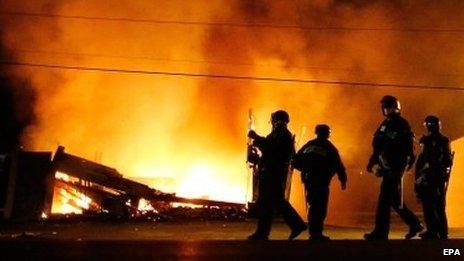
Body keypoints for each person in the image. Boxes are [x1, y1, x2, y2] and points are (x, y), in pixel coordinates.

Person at [364, 95, 423, 240]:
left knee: (384, 200)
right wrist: (372, 163)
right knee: (395, 201)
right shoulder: (385, 125)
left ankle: (380, 232)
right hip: (386, 168)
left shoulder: (402, 125)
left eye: (387, 106)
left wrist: (403, 167)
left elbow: (410, 149)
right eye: (384, 107)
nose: (385, 109)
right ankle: (415, 224)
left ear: (395, 107)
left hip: (395, 168)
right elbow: (377, 146)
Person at [247, 110, 306, 240]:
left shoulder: (283, 135)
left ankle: (263, 233)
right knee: (274, 202)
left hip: (274, 173)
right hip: (270, 172)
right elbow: (268, 152)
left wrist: (256, 138)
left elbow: (272, 150)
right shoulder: (277, 134)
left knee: (268, 203)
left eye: (274, 120)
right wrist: (257, 157)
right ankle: (296, 225)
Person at [293, 124, 347, 241]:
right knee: (320, 207)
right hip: (321, 181)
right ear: (328, 133)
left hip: (309, 181)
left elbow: (295, 161)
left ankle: (313, 232)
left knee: (312, 205)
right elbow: (339, 166)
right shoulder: (329, 147)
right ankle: (316, 234)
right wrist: (343, 180)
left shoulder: (309, 145)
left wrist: (305, 171)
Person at [415, 115, 453, 239]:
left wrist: (424, 174)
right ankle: (440, 231)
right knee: (437, 206)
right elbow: (447, 161)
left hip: (432, 178)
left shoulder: (434, 141)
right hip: (435, 178)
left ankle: (435, 231)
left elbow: (444, 161)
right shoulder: (442, 140)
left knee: (431, 206)